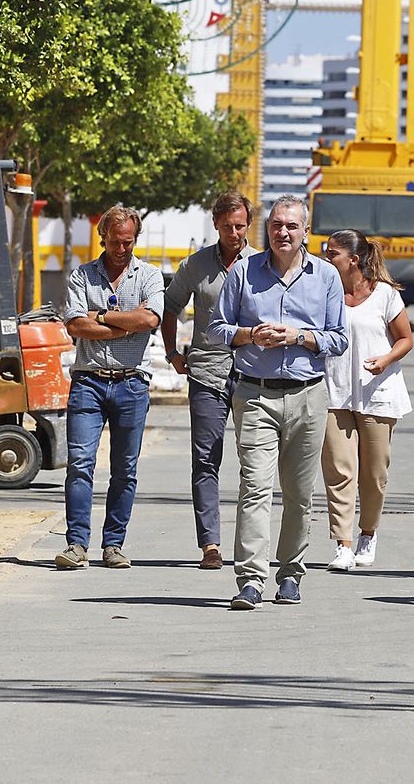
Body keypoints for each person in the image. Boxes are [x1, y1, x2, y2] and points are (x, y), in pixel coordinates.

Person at [209, 195, 347, 609]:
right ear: (266, 229)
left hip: (307, 396)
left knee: (299, 494)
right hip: (254, 395)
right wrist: (250, 335)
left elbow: (339, 338)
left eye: (290, 226)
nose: (282, 232)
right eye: (275, 225)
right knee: (254, 488)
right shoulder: (244, 272)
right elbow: (216, 328)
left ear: (306, 231)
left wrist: (299, 337)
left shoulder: (326, 276)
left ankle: (290, 573)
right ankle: (251, 580)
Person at [54, 204, 164, 571]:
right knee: (80, 464)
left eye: (128, 242)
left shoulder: (149, 276)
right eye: (115, 242)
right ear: (103, 238)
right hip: (88, 381)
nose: (121, 249)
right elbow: (75, 325)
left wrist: (101, 316)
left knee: (124, 469)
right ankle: (76, 544)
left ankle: (113, 544)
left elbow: (150, 318)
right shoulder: (82, 276)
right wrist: (123, 327)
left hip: (132, 383)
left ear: (136, 239)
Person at [160, 191, 256, 570]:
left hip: (252, 373)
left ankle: (250, 544)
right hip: (206, 373)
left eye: (240, 226)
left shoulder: (262, 265)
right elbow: (169, 308)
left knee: (255, 461)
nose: (234, 232)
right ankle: (210, 545)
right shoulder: (195, 266)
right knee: (205, 459)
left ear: (248, 225)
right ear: (215, 223)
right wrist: (172, 353)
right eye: (227, 225)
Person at [320, 229, 414, 572]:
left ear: (353, 260)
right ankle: (342, 544)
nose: (326, 258)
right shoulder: (324, 291)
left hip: (377, 393)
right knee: (339, 470)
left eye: (333, 254)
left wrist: (386, 359)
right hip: (334, 392)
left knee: (374, 474)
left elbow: (405, 339)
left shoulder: (385, 295)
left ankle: (368, 533)